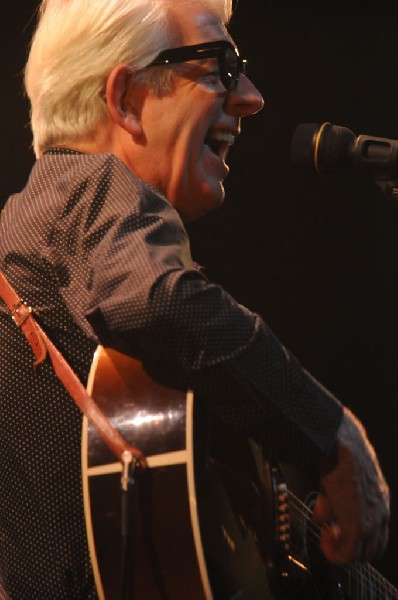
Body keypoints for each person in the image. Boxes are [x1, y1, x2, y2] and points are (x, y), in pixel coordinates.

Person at [0, 0, 390, 598]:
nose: (252, 96)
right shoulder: (91, 188)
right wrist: (331, 432)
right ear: (127, 100)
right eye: (221, 67)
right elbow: (160, 302)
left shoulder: (24, 234)